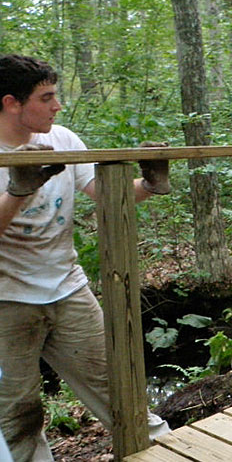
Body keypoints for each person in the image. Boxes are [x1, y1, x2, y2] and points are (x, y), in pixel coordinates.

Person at [0, 54, 171, 461]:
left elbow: (109, 194)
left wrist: (149, 181)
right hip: (6, 301)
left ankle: (171, 453)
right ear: (11, 103)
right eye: (47, 97)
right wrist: (18, 190)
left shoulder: (64, 139)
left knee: (120, 391)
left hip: (67, 289)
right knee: (17, 416)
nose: (58, 105)